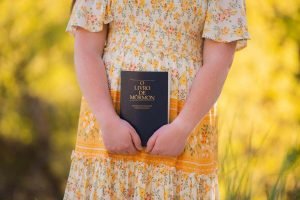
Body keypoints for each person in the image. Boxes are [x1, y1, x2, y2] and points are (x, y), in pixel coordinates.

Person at [63, 0, 250, 199]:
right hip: (107, 125)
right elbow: (86, 50)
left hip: (184, 128)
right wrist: (107, 119)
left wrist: (182, 127)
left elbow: (219, 62)